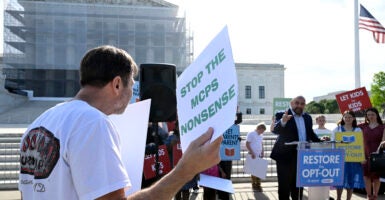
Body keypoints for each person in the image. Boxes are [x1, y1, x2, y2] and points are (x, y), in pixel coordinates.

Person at [18, 45, 223, 200]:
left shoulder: (38, 123)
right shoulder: (92, 123)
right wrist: (185, 170)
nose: (132, 92)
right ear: (117, 84)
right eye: (131, 84)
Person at [270, 95, 321, 200]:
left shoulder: (307, 117)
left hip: (302, 156)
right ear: (291, 104)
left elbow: (310, 133)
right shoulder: (281, 115)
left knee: (298, 185)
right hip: (284, 156)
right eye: (297, 103)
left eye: (302, 104)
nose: (299, 105)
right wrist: (283, 121)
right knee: (284, 185)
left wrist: (321, 141)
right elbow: (275, 130)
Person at [332, 110, 365, 200]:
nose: (347, 119)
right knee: (340, 180)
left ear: (353, 118)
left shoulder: (358, 130)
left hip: (353, 159)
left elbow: (361, 144)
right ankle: (338, 198)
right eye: (345, 117)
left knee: (351, 180)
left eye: (349, 117)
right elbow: (333, 144)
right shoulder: (337, 129)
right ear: (343, 118)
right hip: (340, 159)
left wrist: (362, 157)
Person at [358, 108, 385, 200]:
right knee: (366, 175)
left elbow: (383, 141)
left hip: (378, 154)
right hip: (365, 153)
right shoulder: (362, 126)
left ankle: (375, 195)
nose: (370, 116)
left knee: (377, 176)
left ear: (377, 115)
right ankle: (369, 195)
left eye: (372, 114)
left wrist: (383, 144)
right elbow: (349, 129)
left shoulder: (383, 127)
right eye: (368, 115)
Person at [217, 110, 242, 200]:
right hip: (219, 155)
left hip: (228, 156)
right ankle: (220, 194)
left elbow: (239, 119)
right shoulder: (217, 126)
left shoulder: (230, 125)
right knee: (221, 175)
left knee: (227, 175)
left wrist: (236, 139)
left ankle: (225, 194)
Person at [246, 122, 266, 192]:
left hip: (259, 154)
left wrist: (263, 152)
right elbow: (247, 144)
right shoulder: (251, 133)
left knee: (259, 171)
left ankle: (258, 184)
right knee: (253, 171)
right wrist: (252, 152)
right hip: (253, 154)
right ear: (259, 128)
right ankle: (254, 185)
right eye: (262, 131)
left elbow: (261, 144)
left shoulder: (261, 135)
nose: (262, 132)